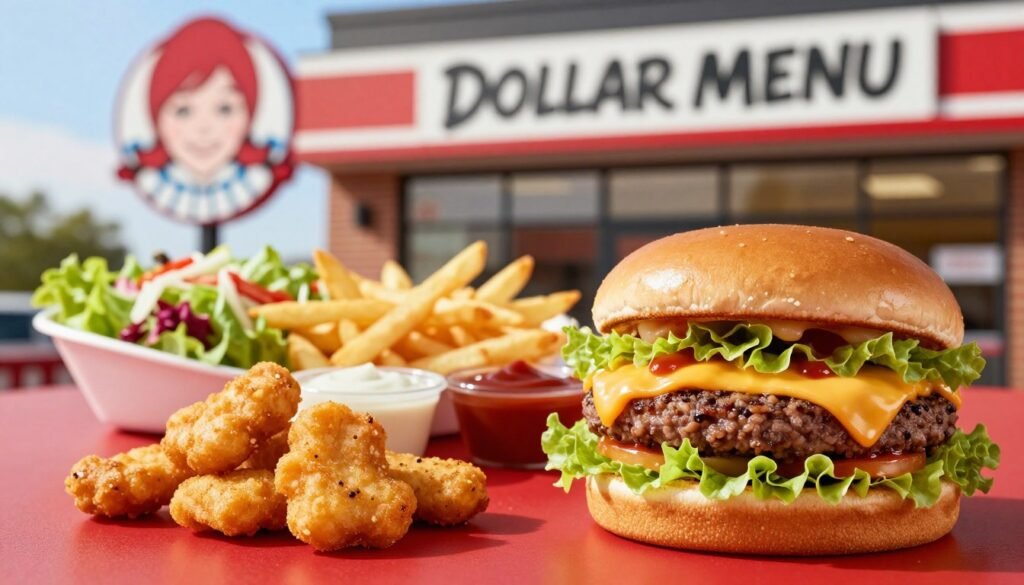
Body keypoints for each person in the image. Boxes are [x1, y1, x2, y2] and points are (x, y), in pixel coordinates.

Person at [116, 18, 294, 224]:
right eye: (183, 111)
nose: (203, 128)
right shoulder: (164, 188)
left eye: (225, 109)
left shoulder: (248, 184)